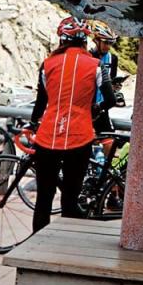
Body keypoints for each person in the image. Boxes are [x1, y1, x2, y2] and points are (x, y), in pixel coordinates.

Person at [29, 17, 114, 232]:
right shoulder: (96, 66)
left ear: (62, 40)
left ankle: (35, 247)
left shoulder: (47, 64)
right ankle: (66, 249)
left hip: (48, 135)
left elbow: (41, 101)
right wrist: (95, 111)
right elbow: (110, 99)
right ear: (85, 41)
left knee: (44, 199)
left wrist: (31, 124)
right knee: (70, 199)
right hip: (80, 135)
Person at [87, 19, 120, 138]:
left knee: (109, 138)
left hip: (102, 106)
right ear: (96, 41)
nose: (108, 46)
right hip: (87, 107)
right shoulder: (87, 57)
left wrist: (115, 87)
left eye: (111, 43)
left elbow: (111, 79)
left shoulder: (113, 59)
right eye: (106, 42)